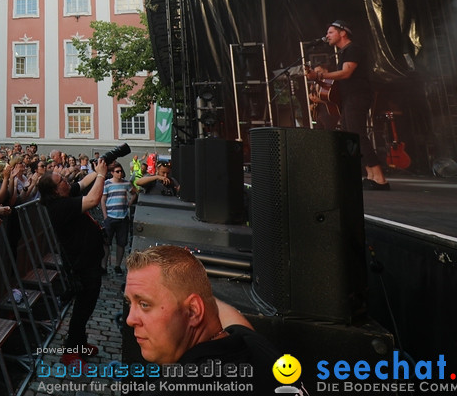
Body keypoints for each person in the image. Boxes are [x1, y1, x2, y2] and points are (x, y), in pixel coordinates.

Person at [124, 245, 304, 393]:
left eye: (144, 304)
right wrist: (190, 280)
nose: (130, 320)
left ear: (194, 311)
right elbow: (228, 316)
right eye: (130, 303)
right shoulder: (255, 345)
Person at [37, 158, 108, 362]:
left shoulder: (65, 194)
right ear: (54, 191)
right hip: (81, 263)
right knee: (83, 307)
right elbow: (93, 199)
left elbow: (84, 183)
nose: (66, 182)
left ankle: (80, 344)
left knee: (87, 305)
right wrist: (102, 175)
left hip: (88, 259)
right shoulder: (59, 207)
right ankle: (70, 352)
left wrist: (99, 168)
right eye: (61, 182)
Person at [308, 20, 389, 190]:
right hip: (348, 98)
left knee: (357, 134)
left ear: (342, 33)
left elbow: (346, 73)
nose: (327, 36)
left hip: (357, 96)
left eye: (330, 32)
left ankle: (380, 179)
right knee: (351, 134)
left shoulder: (353, 49)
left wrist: (320, 76)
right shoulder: (343, 52)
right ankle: (371, 176)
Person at [102, 162, 134, 274]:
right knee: (106, 243)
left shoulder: (126, 183)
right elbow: (103, 200)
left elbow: (134, 193)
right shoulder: (107, 184)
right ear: (112, 173)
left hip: (123, 217)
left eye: (121, 171)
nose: (120, 173)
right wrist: (105, 215)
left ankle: (117, 266)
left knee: (121, 243)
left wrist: (130, 202)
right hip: (110, 217)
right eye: (117, 171)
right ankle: (103, 266)